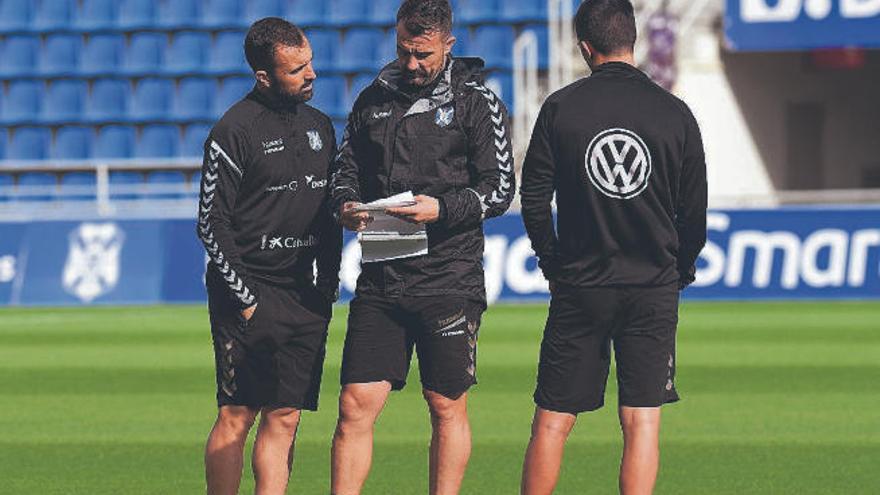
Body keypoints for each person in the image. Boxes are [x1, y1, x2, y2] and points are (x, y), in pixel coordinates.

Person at [518, 1, 707, 494]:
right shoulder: (675, 112)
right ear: (634, 40)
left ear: (584, 46)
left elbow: (534, 200)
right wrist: (678, 272)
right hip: (651, 287)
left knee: (553, 421)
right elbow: (694, 214)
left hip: (580, 283)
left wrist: (552, 263)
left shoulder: (559, 107)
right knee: (641, 422)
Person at [328, 0, 515, 493]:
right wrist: (346, 205)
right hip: (383, 273)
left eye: (423, 54)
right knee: (354, 403)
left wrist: (443, 208)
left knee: (445, 403)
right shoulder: (372, 98)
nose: (412, 64)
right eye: (404, 51)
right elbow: (345, 171)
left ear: (448, 45)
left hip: (448, 277)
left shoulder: (479, 103)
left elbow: (499, 190)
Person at [196, 18, 341, 495]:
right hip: (249, 293)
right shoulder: (232, 131)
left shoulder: (321, 127)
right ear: (264, 75)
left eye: (311, 62)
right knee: (237, 415)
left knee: (286, 415)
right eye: (297, 68)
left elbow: (328, 216)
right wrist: (247, 298)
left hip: (303, 294)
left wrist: (327, 286)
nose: (311, 74)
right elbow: (210, 225)